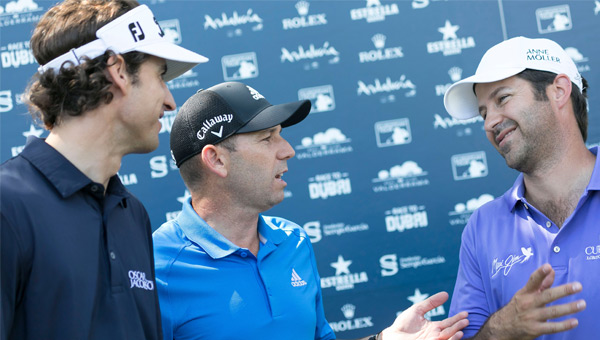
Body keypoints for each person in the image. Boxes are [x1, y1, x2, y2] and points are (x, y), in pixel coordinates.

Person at [153, 81, 469, 340]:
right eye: (267, 138)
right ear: (217, 159)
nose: (288, 150)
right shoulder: (154, 267)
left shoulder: (293, 241)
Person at [0, 1, 207, 339]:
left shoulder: (132, 214)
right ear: (119, 71)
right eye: (161, 76)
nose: (171, 101)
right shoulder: (8, 205)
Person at [443, 36, 597, 339]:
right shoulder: (481, 228)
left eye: (502, 99)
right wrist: (501, 328)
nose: (489, 123)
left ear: (559, 91)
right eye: (484, 113)